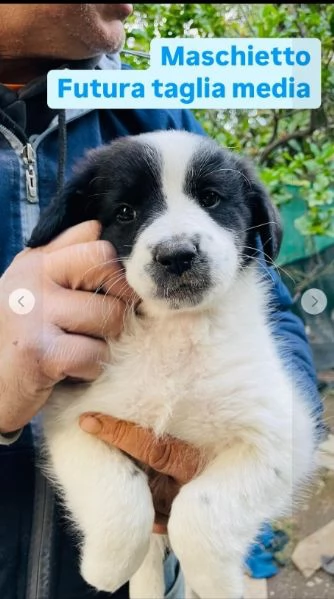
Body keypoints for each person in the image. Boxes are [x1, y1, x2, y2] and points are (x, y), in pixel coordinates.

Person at [0, 4, 323, 599]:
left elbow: (275, 311)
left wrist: (221, 483)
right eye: (127, 212)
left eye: (209, 200)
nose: (176, 241)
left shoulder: (154, 111)